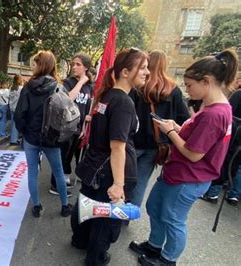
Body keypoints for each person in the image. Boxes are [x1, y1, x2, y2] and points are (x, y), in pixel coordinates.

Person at [130, 49, 238, 266]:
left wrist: (170, 132)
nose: (186, 90)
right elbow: (196, 137)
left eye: (189, 85)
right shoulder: (213, 107)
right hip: (178, 172)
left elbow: (194, 153)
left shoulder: (214, 114)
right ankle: (154, 246)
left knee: (173, 219)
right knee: (154, 207)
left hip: (189, 177)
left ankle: (168, 260)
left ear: (206, 81)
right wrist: (177, 127)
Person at [71, 48, 149, 265]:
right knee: (105, 219)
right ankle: (95, 258)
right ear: (125, 72)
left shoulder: (107, 95)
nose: (147, 72)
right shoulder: (123, 102)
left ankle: (80, 240)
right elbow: (117, 147)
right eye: (142, 68)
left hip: (94, 166)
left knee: (88, 208)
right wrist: (118, 184)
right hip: (107, 171)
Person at [14, 50, 72, 218]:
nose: (33, 67)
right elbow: (67, 114)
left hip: (31, 138)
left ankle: (37, 206)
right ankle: (65, 206)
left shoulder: (28, 87)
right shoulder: (60, 88)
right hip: (52, 139)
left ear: (40, 65)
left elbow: (19, 114)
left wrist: (25, 132)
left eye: (35, 63)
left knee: (32, 172)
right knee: (58, 172)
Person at [130, 50, 190, 207]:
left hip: (132, 141)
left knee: (121, 177)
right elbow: (184, 119)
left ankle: (114, 212)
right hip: (156, 144)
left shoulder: (139, 86)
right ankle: (129, 214)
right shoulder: (174, 90)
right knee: (141, 181)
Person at [49, 53, 94, 197]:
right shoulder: (68, 83)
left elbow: (87, 106)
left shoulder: (89, 87)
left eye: (78, 64)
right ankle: (55, 184)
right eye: (73, 64)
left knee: (68, 156)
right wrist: (81, 82)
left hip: (78, 128)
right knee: (61, 156)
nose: (74, 67)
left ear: (86, 67)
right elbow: (68, 99)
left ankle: (63, 179)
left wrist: (86, 121)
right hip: (65, 127)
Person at [202, 85, 241, 205]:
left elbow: (229, 113)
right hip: (235, 135)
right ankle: (233, 194)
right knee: (236, 166)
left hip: (233, 135)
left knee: (223, 162)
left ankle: (213, 192)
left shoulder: (238, 94)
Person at [9, 74, 24, 145]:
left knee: (13, 123)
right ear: (19, 80)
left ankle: (14, 138)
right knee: (17, 124)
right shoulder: (21, 88)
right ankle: (14, 140)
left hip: (12, 107)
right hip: (18, 108)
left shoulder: (11, 88)